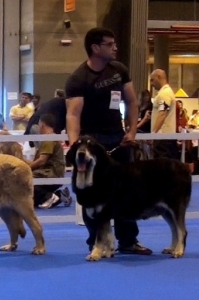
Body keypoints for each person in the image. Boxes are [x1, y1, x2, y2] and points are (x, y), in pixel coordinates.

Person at [64, 27, 151, 255]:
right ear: (95, 48)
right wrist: (76, 146)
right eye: (110, 44)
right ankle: (97, 242)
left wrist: (131, 132)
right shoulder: (78, 79)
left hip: (118, 140)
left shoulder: (119, 70)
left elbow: (132, 103)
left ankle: (128, 241)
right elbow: (73, 115)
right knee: (88, 194)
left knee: (127, 191)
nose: (115, 48)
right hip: (91, 143)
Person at [29, 114, 71, 209]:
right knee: (32, 201)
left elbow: (42, 161)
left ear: (42, 125)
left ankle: (51, 197)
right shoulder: (52, 137)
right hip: (52, 172)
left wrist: (27, 168)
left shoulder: (48, 139)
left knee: (25, 179)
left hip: (51, 173)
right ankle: (60, 194)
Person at [149, 69, 177, 160]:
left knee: (162, 167)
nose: (151, 83)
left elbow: (162, 113)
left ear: (159, 77)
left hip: (163, 139)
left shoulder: (164, 94)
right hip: (164, 138)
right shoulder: (164, 93)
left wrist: (153, 134)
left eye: (152, 80)